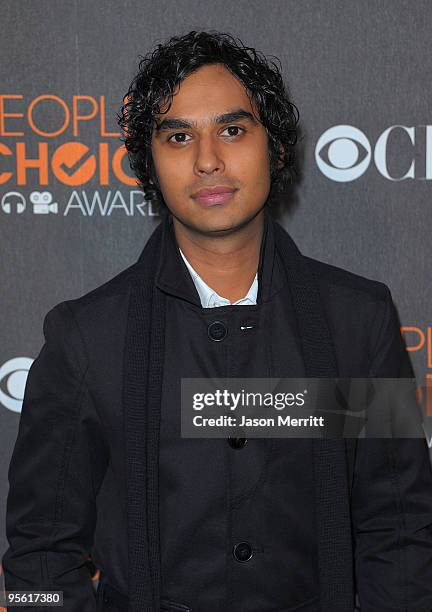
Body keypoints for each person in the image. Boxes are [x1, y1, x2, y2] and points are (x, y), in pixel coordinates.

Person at [3, 30, 432, 612]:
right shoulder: (87, 339)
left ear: (274, 146)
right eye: (179, 137)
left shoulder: (357, 322)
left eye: (232, 130)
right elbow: (38, 557)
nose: (208, 160)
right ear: (149, 162)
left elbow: (400, 533)